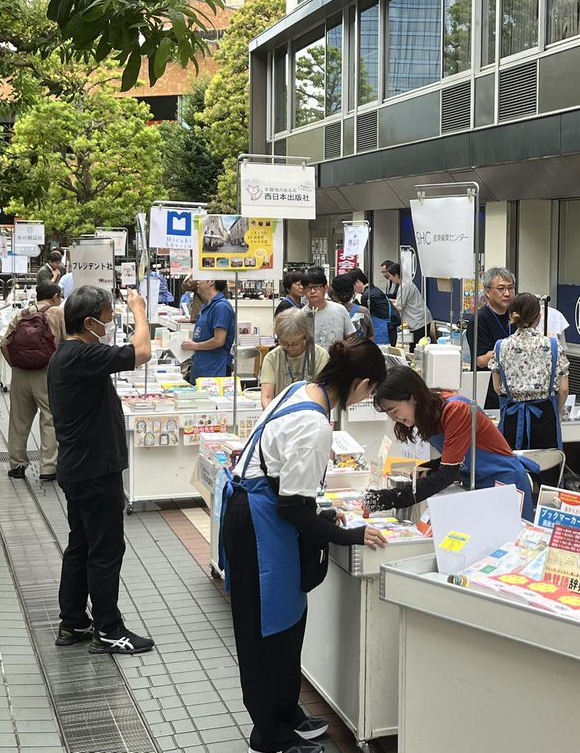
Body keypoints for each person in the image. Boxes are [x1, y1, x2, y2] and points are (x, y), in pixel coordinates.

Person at [221, 338, 388, 753]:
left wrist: (325, 517)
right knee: (265, 630)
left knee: (287, 623)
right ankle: (268, 734)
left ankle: (285, 712)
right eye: (370, 391)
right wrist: (350, 534)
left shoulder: (302, 390)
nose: (367, 399)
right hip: (260, 525)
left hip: (263, 517)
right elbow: (293, 508)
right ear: (361, 382)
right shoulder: (315, 424)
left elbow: (291, 492)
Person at [49, 286, 154, 654]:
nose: (110, 323)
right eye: (108, 316)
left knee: (81, 545)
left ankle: (73, 622)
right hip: (94, 470)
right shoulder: (81, 354)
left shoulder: (69, 354)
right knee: (106, 550)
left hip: (79, 467)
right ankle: (109, 630)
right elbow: (142, 351)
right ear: (89, 321)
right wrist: (139, 310)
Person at [367, 366, 541, 520]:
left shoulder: (456, 410)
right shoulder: (427, 415)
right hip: (477, 484)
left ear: (413, 397)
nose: (393, 418)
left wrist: (389, 498)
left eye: (394, 411)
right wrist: (429, 467)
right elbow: (457, 456)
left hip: (505, 482)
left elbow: (447, 474)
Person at [1, 281, 65, 481]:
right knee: (50, 418)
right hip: (46, 373)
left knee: (18, 420)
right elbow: (68, 343)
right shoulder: (57, 313)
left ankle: (17, 465)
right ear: (55, 296)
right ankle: (48, 467)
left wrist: (15, 366)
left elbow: (4, 343)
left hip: (20, 373)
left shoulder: (23, 314)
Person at [491, 293, 569, 451]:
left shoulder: (501, 346)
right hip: (545, 418)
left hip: (512, 419)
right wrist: (559, 412)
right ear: (539, 315)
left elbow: (497, 388)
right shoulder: (553, 345)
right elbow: (564, 389)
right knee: (546, 468)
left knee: (513, 469)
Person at [464, 267, 516, 410]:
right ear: (487, 291)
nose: (507, 293)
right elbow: (481, 360)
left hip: (515, 391)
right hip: (489, 393)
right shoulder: (479, 320)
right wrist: (515, 347)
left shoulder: (516, 316)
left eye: (510, 288)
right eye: (501, 289)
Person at [259, 309, 330, 409]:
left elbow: (325, 394)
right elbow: (267, 397)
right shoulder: (272, 358)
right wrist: (272, 417)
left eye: (295, 343)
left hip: (311, 412)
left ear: (305, 337)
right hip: (281, 413)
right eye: (284, 343)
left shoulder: (320, 355)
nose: (290, 347)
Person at [182, 279, 236, 380]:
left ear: (211, 281)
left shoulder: (221, 307)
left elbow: (219, 340)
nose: (197, 282)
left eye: (200, 278)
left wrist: (195, 346)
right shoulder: (206, 306)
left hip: (214, 370)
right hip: (201, 368)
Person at [383, 261, 431, 346]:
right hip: (419, 319)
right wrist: (390, 300)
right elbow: (401, 301)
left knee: (416, 347)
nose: (390, 279)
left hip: (418, 321)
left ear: (396, 275)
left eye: (390, 276)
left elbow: (399, 306)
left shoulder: (404, 286)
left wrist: (385, 304)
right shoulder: (406, 283)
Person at [301, 270, 354, 348]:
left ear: (325, 288)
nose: (312, 291)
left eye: (316, 287)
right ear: (304, 291)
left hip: (336, 358)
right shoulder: (300, 315)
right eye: (308, 288)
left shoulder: (340, 310)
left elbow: (350, 336)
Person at [347, 267, 396, 346]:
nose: (353, 290)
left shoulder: (368, 296)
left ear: (358, 282)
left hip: (381, 333)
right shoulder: (373, 290)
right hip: (387, 331)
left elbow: (365, 319)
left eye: (352, 286)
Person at [330, 275, 372, 339]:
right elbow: (370, 335)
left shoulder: (329, 311)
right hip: (360, 348)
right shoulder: (363, 311)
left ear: (333, 293)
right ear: (353, 291)